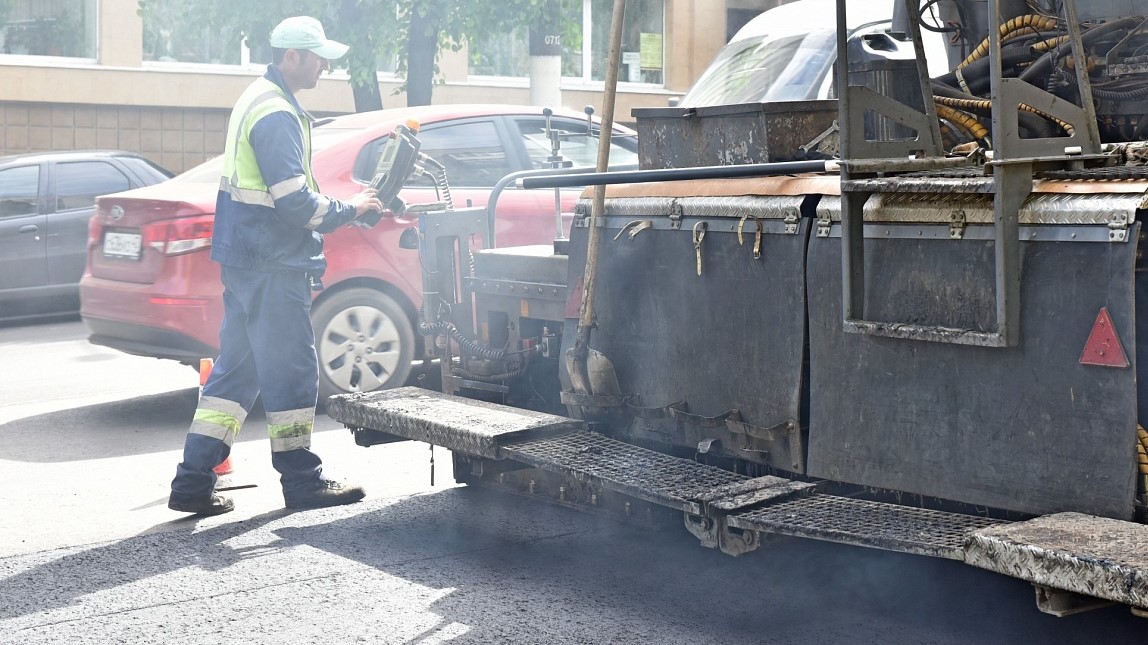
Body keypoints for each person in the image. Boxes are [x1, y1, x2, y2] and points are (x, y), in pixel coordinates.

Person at [168, 16, 383, 516]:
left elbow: (281, 191)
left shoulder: (260, 98)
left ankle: (192, 483)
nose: (324, 66)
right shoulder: (276, 113)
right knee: (291, 372)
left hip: (248, 259)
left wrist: (336, 202)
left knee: (236, 375)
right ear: (292, 57)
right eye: (317, 57)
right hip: (273, 261)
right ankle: (302, 481)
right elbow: (294, 203)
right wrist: (353, 210)